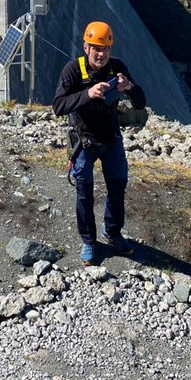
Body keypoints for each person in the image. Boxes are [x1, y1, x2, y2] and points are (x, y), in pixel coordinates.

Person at [52, 21, 146, 266]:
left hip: (111, 138)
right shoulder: (73, 70)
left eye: (105, 48)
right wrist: (88, 94)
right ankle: (89, 241)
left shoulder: (118, 67)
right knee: (84, 193)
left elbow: (140, 103)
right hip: (84, 142)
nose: (101, 54)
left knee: (117, 187)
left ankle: (113, 233)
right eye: (95, 48)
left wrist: (130, 87)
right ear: (86, 47)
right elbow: (58, 106)